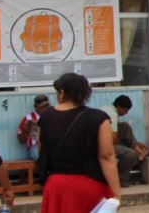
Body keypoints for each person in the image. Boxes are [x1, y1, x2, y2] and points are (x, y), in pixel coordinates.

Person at [37, 73, 123, 212]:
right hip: (88, 186)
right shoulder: (99, 117)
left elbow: (41, 149)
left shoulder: (46, 116)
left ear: (62, 93)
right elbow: (106, 156)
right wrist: (116, 193)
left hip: (56, 186)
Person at [100, 95, 149, 186]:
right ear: (119, 107)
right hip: (100, 145)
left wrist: (134, 143)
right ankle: (119, 180)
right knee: (130, 154)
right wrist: (124, 147)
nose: (126, 113)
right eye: (125, 110)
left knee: (124, 126)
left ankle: (137, 149)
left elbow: (117, 132)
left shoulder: (107, 108)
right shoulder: (112, 114)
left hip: (103, 138)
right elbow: (114, 139)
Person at [16, 94, 50, 161]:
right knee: (39, 156)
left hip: (50, 146)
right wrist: (26, 130)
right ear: (35, 107)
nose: (46, 109)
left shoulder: (53, 115)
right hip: (35, 146)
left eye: (47, 106)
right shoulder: (28, 118)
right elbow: (21, 140)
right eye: (43, 107)